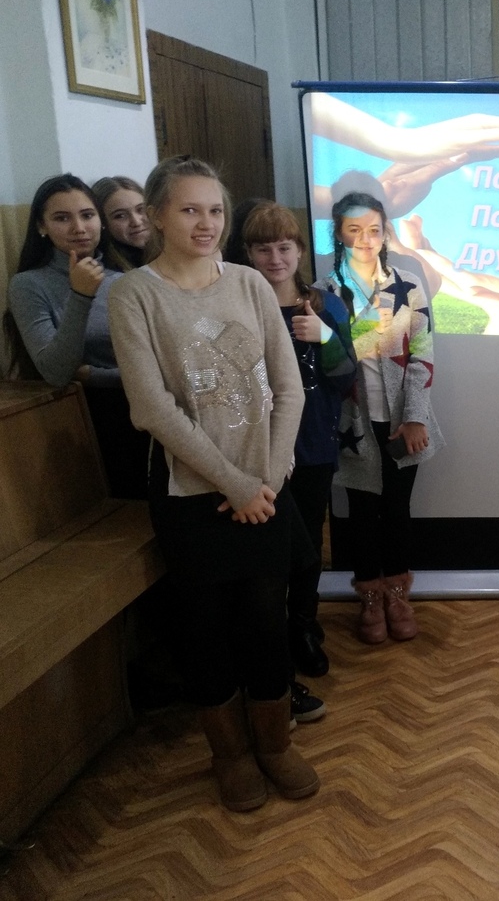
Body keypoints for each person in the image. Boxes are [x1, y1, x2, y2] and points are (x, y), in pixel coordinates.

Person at [107, 156, 316, 811]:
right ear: (157, 215)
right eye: (190, 209)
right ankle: (230, 756)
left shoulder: (250, 283)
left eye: (216, 210)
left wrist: (267, 481)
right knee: (205, 627)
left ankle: (274, 745)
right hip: (190, 495)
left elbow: (288, 388)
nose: (206, 223)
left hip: (266, 490)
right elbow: (152, 408)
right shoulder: (134, 294)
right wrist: (234, 483)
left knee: (266, 619)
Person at [243, 201, 356, 707]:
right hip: (255, 448)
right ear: (248, 253)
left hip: (312, 444)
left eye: (284, 247)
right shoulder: (239, 301)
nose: (275, 258)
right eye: (263, 248)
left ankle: (304, 626)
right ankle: (269, 640)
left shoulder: (327, 304)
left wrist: (325, 338)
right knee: (269, 551)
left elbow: (349, 378)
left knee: (309, 543)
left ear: (301, 251)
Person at [317, 190, 442, 644]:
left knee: (397, 509)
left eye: (374, 229)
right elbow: (337, 359)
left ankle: (397, 595)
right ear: (338, 234)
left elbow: (423, 353)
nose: (366, 239)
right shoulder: (325, 292)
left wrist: (415, 417)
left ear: (385, 232)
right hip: (353, 423)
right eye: (354, 230)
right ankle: (370, 596)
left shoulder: (407, 283)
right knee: (362, 513)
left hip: (403, 419)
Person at [5, 174, 148, 499]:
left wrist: (94, 374)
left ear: (100, 221)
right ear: (41, 226)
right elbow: (55, 371)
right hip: (90, 420)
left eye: (87, 215)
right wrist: (81, 295)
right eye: (62, 218)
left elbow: (158, 367)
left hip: (147, 409)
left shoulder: (126, 279)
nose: (79, 228)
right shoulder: (29, 285)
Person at [92, 176, 150, 273]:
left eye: (141, 209)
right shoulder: (106, 274)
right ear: (102, 223)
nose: (136, 222)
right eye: (120, 216)